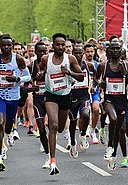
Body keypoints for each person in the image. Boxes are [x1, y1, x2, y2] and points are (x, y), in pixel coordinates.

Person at [0, 34, 31, 172]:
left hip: (14, 97)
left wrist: (16, 79)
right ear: (0, 46)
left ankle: (9, 133)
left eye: (9, 45)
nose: (6, 47)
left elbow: (27, 76)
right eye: (4, 45)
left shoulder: (18, 59)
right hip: (0, 95)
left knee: (8, 124)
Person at [37, 33, 84, 175]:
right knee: (54, 125)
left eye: (63, 44)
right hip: (51, 95)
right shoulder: (46, 58)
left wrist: (69, 73)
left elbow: (81, 76)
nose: (61, 47)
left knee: (61, 128)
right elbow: (40, 70)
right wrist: (40, 74)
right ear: (52, 45)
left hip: (65, 96)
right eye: (58, 44)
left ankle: (60, 142)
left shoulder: (70, 58)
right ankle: (53, 161)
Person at [95, 41, 128, 171]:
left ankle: (113, 153)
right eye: (112, 48)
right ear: (108, 51)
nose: (115, 51)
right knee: (113, 119)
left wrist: (125, 75)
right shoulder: (103, 66)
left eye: (117, 48)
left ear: (121, 51)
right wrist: (100, 84)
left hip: (123, 101)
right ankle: (109, 146)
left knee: (119, 130)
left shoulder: (127, 65)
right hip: (108, 100)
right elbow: (96, 79)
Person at [68, 45, 96, 158]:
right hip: (72, 96)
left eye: (80, 53)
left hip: (84, 95)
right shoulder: (68, 66)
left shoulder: (88, 65)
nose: (78, 55)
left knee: (85, 114)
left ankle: (83, 135)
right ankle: (73, 143)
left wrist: (93, 85)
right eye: (76, 53)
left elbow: (96, 75)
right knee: (73, 121)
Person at [28, 41, 51, 168]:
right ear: (35, 52)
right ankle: (48, 155)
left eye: (44, 51)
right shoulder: (32, 66)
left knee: (53, 126)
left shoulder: (52, 64)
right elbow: (27, 85)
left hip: (51, 98)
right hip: (38, 100)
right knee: (41, 127)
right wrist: (33, 87)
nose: (42, 53)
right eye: (40, 51)